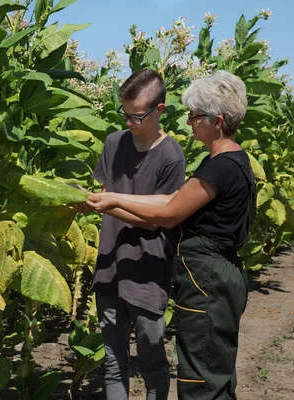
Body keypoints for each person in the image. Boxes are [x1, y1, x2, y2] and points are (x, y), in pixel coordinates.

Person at [86, 70, 256, 400]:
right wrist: (109, 198)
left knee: (200, 381)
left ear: (216, 121)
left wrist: (110, 200)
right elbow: (170, 201)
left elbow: (167, 213)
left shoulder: (219, 167)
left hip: (207, 279)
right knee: (208, 375)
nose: (190, 122)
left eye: (195, 116)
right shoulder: (228, 161)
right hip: (213, 277)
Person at [77, 68, 186, 400]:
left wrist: (107, 204)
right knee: (112, 362)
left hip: (148, 269)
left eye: (137, 116)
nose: (129, 123)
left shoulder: (172, 156)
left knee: (153, 362)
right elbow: (106, 191)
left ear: (160, 110)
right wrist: (84, 199)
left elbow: (156, 220)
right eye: (125, 114)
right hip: (110, 264)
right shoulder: (114, 143)